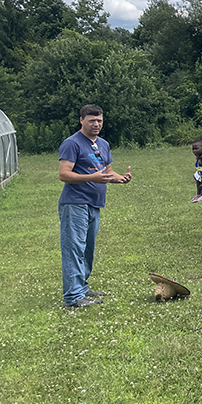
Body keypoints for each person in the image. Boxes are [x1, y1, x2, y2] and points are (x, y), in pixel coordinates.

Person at [58, 104, 131, 309]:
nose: (96, 124)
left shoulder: (103, 144)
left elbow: (106, 172)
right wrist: (92, 177)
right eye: (92, 120)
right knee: (74, 248)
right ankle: (73, 297)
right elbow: (64, 174)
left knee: (87, 249)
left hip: (94, 204)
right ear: (81, 120)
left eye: (99, 120)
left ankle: (81, 287)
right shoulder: (72, 144)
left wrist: (121, 179)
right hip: (75, 203)